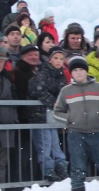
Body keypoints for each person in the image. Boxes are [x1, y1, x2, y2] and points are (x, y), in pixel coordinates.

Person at [52, 56, 99, 191]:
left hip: (96, 133)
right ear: (71, 73)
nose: (78, 73)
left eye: (81, 69)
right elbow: (57, 112)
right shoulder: (66, 91)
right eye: (75, 70)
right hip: (75, 134)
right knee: (77, 170)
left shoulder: (98, 88)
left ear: (86, 71)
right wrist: (70, 118)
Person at [27, 46, 69, 181]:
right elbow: (38, 90)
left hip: (52, 116)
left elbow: (63, 91)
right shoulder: (42, 73)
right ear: (50, 59)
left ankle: (60, 165)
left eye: (61, 59)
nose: (58, 61)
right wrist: (53, 101)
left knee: (55, 142)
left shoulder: (61, 75)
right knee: (45, 143)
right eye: (56, 58)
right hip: (39, 115)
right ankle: (48, 168)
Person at [0, 46, 18, 184]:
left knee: (1, 164)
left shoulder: (6, 80)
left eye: (1, 61)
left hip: (5, 129)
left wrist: (14, 120)